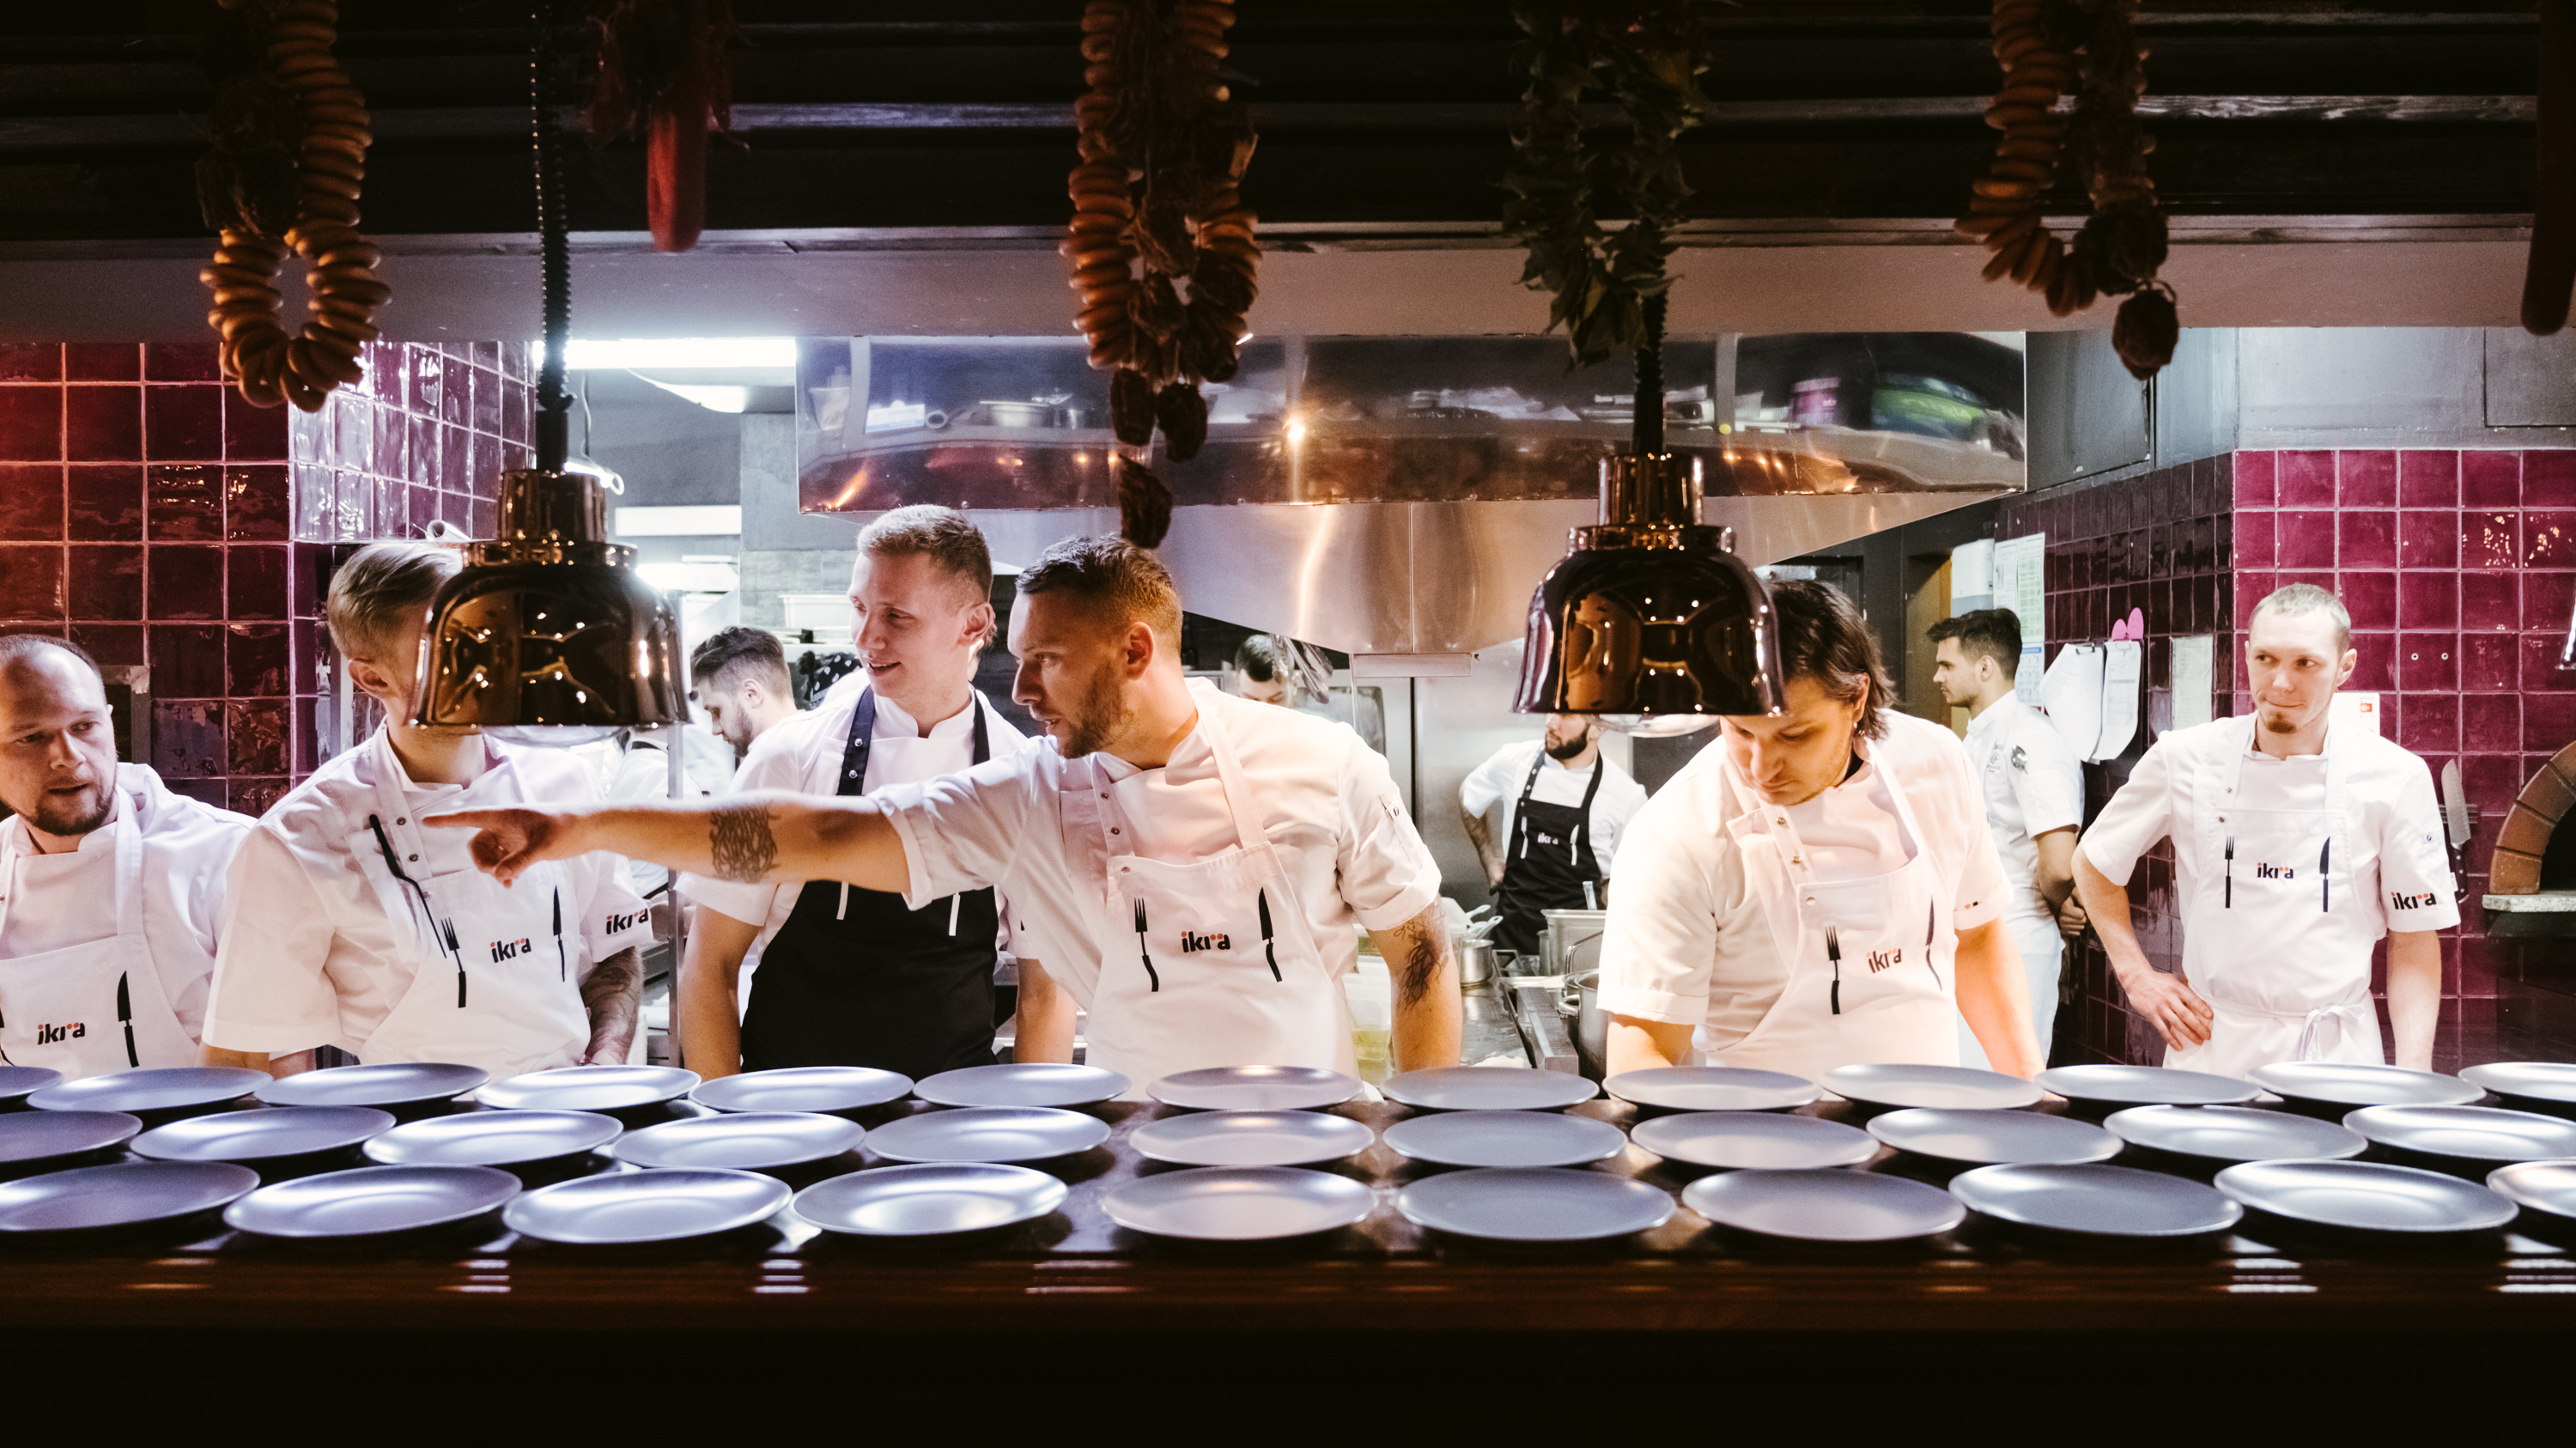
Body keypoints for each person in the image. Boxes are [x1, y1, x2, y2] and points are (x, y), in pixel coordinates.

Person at [432, 535, 1463, 1094]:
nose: (1025, 689)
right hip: (1132, 1159)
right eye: (1019, 659)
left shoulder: (1324, 762)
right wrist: (585, 827)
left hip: (1314, 1147)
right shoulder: (1030, 792)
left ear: (1135, 651)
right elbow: (810, 834)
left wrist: (1425, 1142)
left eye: (1046, 660)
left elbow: (1420, 952)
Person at [200, 542, 655, 1080]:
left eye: (494, 636)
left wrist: (606, 1058)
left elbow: (613, 950)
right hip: (411, 1125)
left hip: (568, 1106)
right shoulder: (297, 840)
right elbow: (255, 1053)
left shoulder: (566, 784)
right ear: (372, 679)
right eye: (452, 647)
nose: (491, 665)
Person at [1596, 581, 2043, 1082]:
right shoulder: (1675, 832)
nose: (1761, 768)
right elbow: (1641, 1058)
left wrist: (2031, 1087)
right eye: (1740, 731)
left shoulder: (1935, 761)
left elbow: (1977, 936)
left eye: (1795, 735)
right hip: (1764, 1130)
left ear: (1856, 700)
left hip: (1931, 1121)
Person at [673, 506, 1031, 1081]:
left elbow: (1045, 992)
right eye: (859, 608)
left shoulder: (1021, 776)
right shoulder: (788, 758)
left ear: (972, 623)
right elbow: (710, 966)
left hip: (952, 1117)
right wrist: (729, 1119)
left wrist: (1037, 1127)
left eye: (896, 616)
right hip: (795, 1112)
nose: (866, 638)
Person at [2074, 584, 2458, 1079]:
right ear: (2247, 654)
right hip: (2211, 1050)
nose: (2280, 683)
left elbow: (2414, 937)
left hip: (2337, 1056)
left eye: (2305, 663)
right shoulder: (2185, 758)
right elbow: (2093, 861)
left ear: (2345, 667)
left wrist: (2414, 1078)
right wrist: (2136, 977)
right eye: (2265, 658)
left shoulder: (2394, 776)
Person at [0, 636, 252, 1078]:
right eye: (32, 737)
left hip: (198, 1121)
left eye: (84, 726)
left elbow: (278, 1062)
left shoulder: (226, 853)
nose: (68, 757)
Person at [1929, 607, 2084, 1069]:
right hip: (1971, 932)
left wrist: (2057, 906)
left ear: (1985, 668)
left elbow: (2059, 864)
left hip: (2020, 933)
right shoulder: (1972, 739)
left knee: (2008, 1078)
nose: (1937, 676)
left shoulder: (2034, 740)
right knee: (1965, 1076)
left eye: (1947, 665)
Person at [1459, 714, 1648, 960]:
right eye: (1552, 711)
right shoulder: (1514, 762)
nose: (1550, 723)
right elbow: (1469, 796)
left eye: (1567, 715)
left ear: (1597, 729)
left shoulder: (1626, 795)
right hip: (1511, 941)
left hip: (1581, 950)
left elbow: (1632, 879)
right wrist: (1489, 858)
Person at [1233, 633, 1387, 753]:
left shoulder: (1326, 737)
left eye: (1276, 699)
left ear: (1294, 684)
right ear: (1237, 683)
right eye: (1251, 700)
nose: (1264, 712)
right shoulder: (1225, 741)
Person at [692, 627, 800, 765]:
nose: (715, 730)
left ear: (752, 694)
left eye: (716, 711)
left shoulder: (769, 769)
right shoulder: (814, 755)